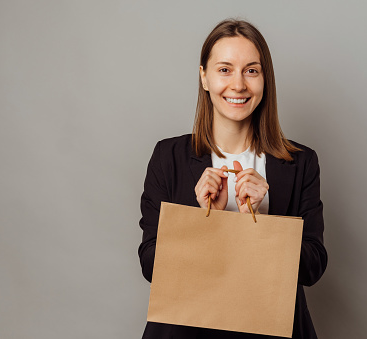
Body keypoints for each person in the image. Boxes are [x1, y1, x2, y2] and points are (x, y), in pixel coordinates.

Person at [138, 19, 327, 339]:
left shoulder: (300, 162)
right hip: (186, 330)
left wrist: (264, 221)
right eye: (225, 69)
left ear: (265, 79)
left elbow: (313, 267)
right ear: (204, 77)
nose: (238, 85)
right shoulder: (168, 157)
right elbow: (150, 265)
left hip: (272, 331)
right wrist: (202, 220)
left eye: (251, 70)